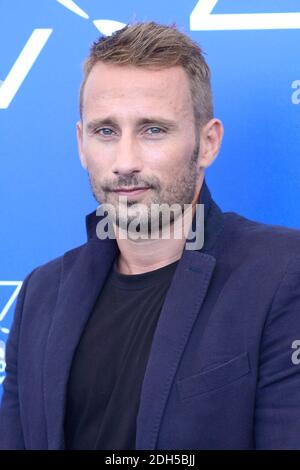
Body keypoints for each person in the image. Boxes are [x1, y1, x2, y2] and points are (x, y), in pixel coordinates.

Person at [1, 21, 300, 451]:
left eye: (153, 130)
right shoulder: (41, 294)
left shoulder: (283, 276)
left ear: (208, 142)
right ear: (81, 143)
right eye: (106, 131)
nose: (125, 162)